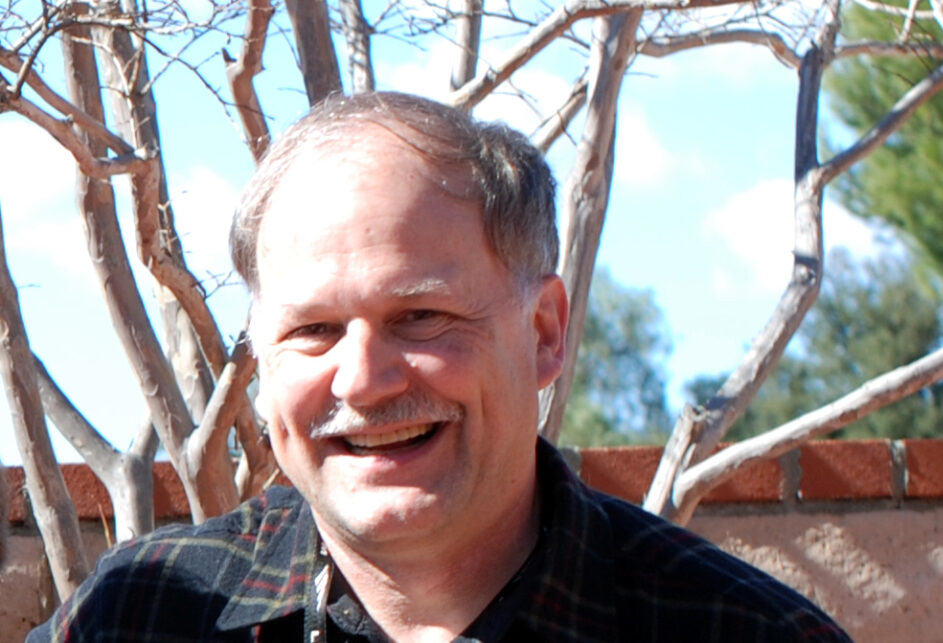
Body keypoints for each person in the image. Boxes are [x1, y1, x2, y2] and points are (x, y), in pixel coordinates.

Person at [29, 92, 851, 642]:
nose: (362, 379)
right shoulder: (136, 617)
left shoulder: (741, 631)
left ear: (545, 331)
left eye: (420, 316)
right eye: (312, 329)